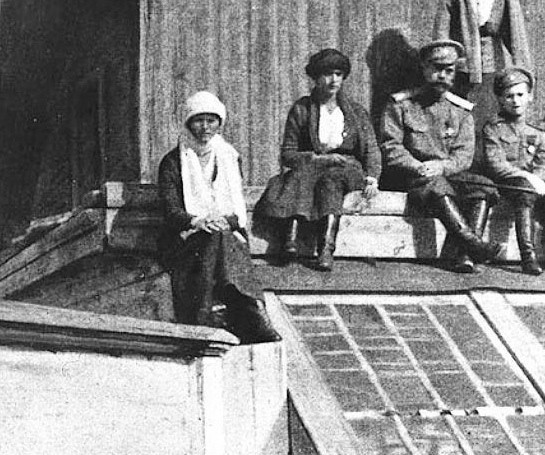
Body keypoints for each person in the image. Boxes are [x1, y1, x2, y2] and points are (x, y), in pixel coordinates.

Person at [156, 91, 281, 342]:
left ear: (219, 123)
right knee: (217, 238)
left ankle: (208, 313)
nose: (205, 127)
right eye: (198, 120)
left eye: (211, 120)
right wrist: (198, 221)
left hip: (222, 235)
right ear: (188, 123)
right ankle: (252, 311)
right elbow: (171, 211)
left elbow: (237, 211)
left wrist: (224, 221)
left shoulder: (228, 157)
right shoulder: (173, 162)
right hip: (185, 239)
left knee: (220, 236)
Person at [379, 40, 503, 274]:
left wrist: (443, 167)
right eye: (436, 69)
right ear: (424, 67)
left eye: (449, 71)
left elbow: (463, 155)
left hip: (446, 175)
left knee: (483, 186)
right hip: (413, 177)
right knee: (436, 184)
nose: (442, 76)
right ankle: (475, 245)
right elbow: (390, 146)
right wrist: (417, 166)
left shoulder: (461, 111)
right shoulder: (401, 105)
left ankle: (465, 256)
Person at [260, 48, 381, 272]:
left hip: (346, 168)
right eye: (327, 74)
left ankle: (326, 249)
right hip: (313, 166)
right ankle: (290, 240)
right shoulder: (302, 109)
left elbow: (371, 149)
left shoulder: (355, 112)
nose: (333, 80)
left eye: (338, 74)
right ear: (316, 78)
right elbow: (288, 154)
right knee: (299, 174)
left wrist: (372, 177)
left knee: (331, 179)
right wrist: (316, 159)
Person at [432, 0, 531, 130]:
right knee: (460, 115)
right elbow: (441, 33)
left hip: (494, 63)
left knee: (491, 114)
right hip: (462, 66)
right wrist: (443, 66)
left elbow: (516, 32)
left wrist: (522, 69)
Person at [481, 68, 545, 276]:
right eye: (509, 96)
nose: (515, 101)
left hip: (528, 187)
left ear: (530, 96)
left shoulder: (538, 132)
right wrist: (528, 177)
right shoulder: (493, 128)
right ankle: (528, 257)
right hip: (501, 183)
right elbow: (496, 165)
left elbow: (543, 164)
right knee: (525, 189)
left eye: (520, 95)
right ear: (500, 99)